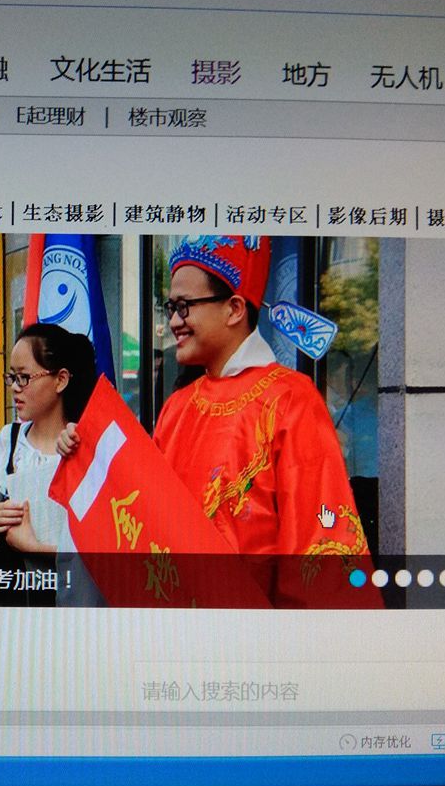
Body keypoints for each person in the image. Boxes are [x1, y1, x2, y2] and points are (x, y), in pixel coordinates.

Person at [62, 236, 379, 608]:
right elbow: (144, 513)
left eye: (184, 307)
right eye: (171, 308)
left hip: (255, 627)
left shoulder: (290, 399)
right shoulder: (177, 407)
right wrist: (85, 450)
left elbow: (318, 540)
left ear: (234, 309)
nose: (173, 322)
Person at [0, 323, 103, 605]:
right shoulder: (9, 439)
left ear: (60, 380)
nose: (15, 388)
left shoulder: (88, 444)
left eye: (24, 378)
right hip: (17, 598)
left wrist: (34, 547)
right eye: (12, 377)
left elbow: (104, 547)